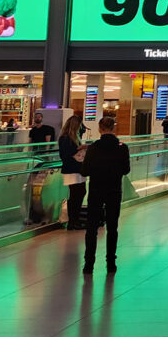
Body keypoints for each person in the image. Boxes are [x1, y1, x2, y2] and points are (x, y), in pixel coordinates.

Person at [80, 116, 130, 274]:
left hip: (96, 190)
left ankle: (89, 263)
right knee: (112, 227)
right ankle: (110, 263)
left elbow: (85, 171)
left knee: (92, 228)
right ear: (113, 128)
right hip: (114, 190)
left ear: (100, 129)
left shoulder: (94, 148)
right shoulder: (122, 147)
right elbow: (126, 169)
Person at [59, 115, 87, 230]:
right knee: (76, 194)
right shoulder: (66, 138)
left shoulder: (74, 137)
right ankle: (73, 220)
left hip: (77, 169)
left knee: (79, 193)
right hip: (72, 170)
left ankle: (75, 220)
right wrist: (79, 149)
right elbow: (65, 155)